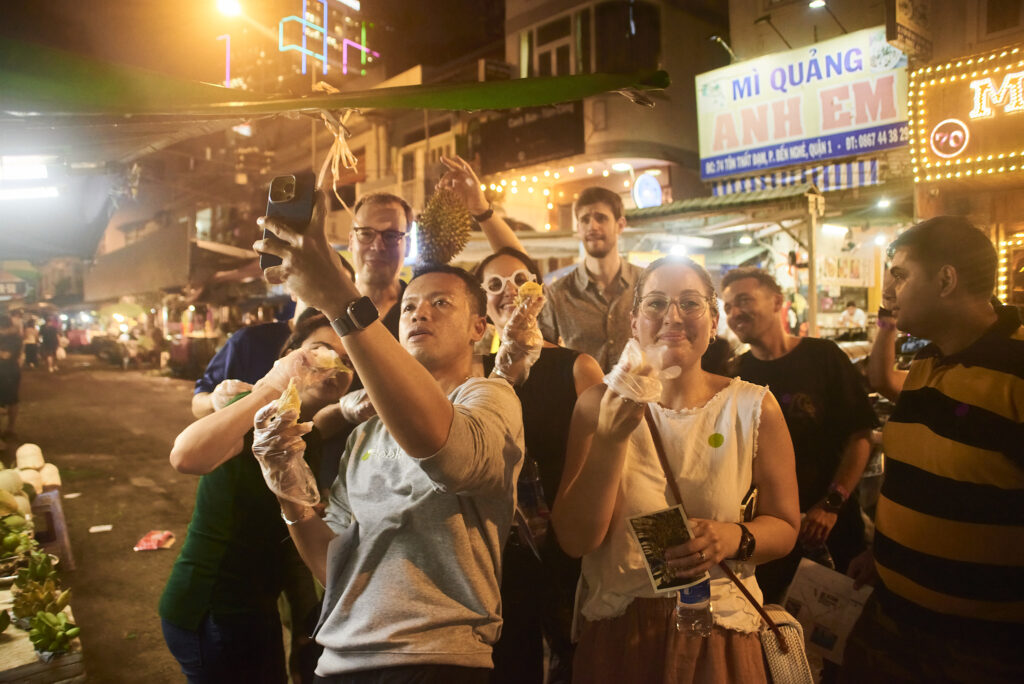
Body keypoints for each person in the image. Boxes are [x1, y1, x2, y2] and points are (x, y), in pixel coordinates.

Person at [253, 193, 526, 682]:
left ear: (479, 330)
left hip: (438, 659)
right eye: (410, 309)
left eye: (441, 303)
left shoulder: (490, 398)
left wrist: (340, 298)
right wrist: (287, 487)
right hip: (339, 660)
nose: (420, 314)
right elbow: (332, 561)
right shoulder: (367, 431)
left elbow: (451, 456)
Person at [552, 256, 800, 684]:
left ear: (713, 317)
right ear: (634, 322)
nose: (673, 316)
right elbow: (575, 540)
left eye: (690, 303)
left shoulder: (753, 407)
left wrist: (731, 538)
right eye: (656, 303)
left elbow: (784, 525)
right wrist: (611, 439)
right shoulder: (597, 404)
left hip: (720, 630)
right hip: (621, 633)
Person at [841, 217, 1024, 683]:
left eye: (900, 275)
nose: (890, 290)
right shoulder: (929, 356)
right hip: (892, 615)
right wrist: (884, 552)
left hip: (978, 648)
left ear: (946, 280)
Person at [160, 311, 354, 684]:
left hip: (254, 610)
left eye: (347, 360)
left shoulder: (306, 434)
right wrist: (271, 385)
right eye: (320, 350)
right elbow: (185, 456)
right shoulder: (256, 412)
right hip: (211, 608)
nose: (334, 365)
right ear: (291, 354)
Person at [474, 247, 604, 684]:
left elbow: (605, 463)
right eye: (494, 284)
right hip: (493, 556)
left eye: (519, 280)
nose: (508, 291)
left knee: (573, 662)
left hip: (565, 550)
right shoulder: (474, 376)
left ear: (539, 292)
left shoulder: (577, 367)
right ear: (482, 305)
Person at [720, 267, 876, 603]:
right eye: (728, 306)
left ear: (778, 302)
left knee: (838, 634)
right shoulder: (735, 375)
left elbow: (860, 436)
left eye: (744, 300)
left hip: (832, 526)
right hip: (769, 535)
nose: (734, 313)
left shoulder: (824, 357)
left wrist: (832, 504)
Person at [538, 187, 643, 372]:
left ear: (620, 225)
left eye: (601, 218)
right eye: (585, 220)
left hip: (642, 398)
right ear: (578, 228)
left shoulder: (646, 284)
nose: (592, 226)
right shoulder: (557, 294)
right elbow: (543, 356)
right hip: (581, 399)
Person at [0, 315, 22, 439]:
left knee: (12, 401)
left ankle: (10, 428)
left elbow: (6, 355)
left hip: (8, 374)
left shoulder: (13, 338)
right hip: (7, 373)